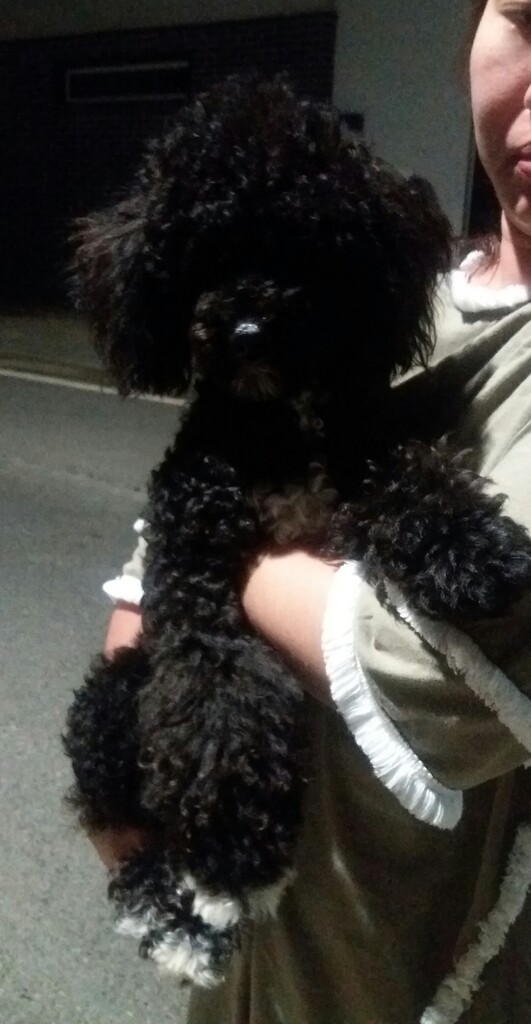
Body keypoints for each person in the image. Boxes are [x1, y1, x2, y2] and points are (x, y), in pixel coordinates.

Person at [88, 1, 531, 1020]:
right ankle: (178, 876)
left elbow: (430, 665)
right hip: (257, 974)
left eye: (288, 272)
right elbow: (163, 609)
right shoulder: (393, 339)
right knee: (133, 703)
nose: (248, 317)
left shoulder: (369, 379)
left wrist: (226, 562)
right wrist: (125, 803)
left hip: (395, 973)